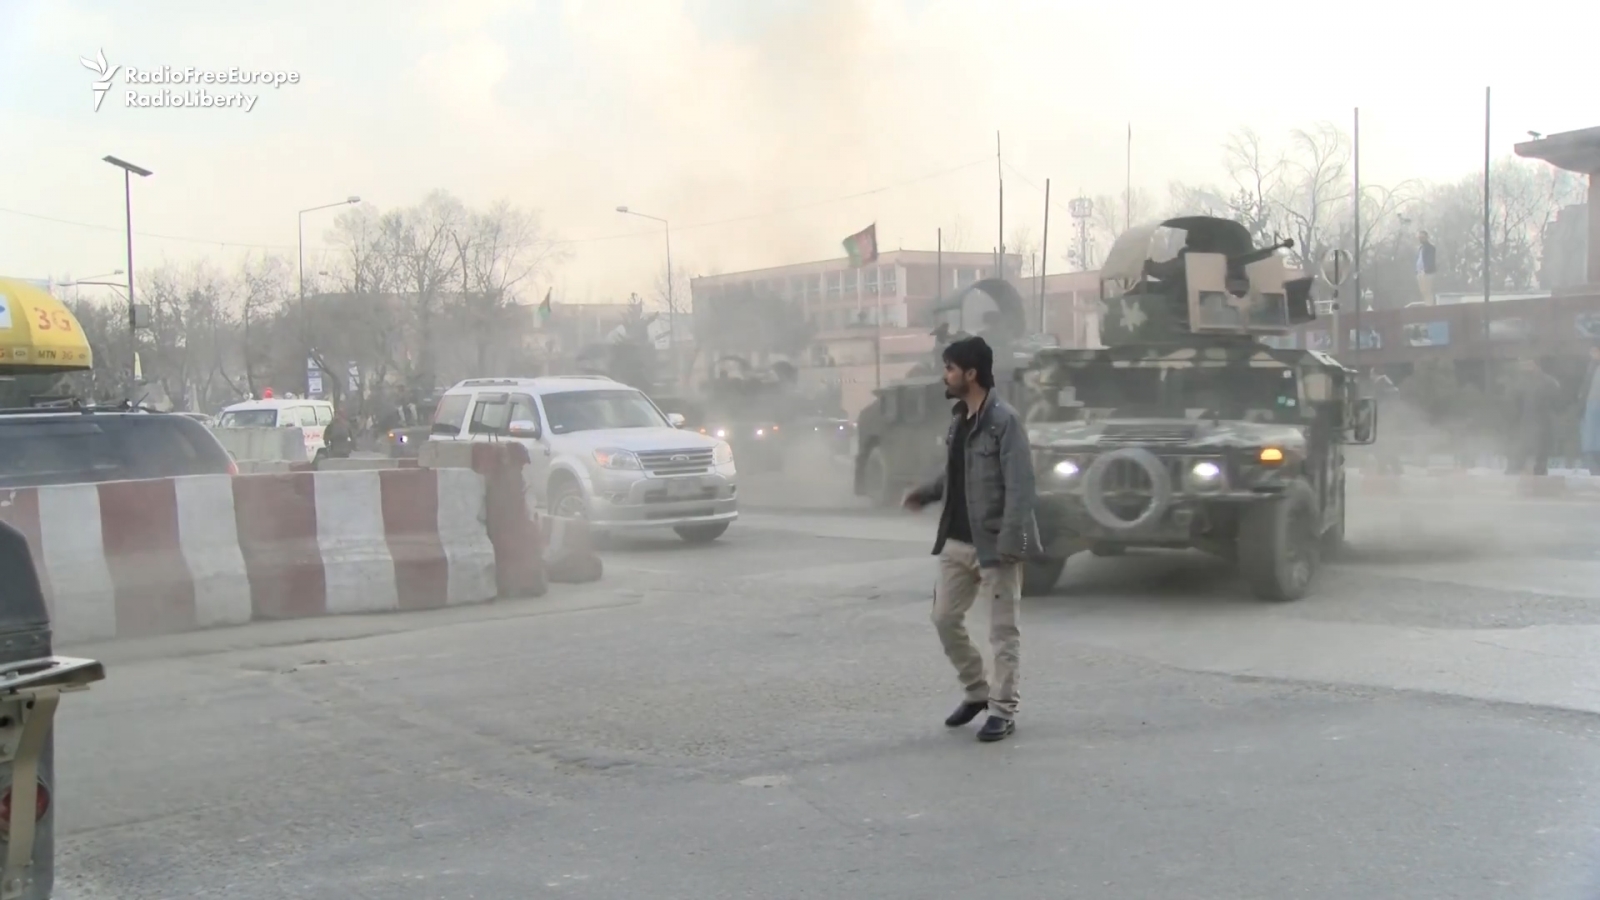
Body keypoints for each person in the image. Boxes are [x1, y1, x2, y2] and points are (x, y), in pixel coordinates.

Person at [902, 336, 1038, 743]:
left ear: (971, 373)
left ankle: (1002, 709)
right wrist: (926, 493)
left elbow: (1021, 486)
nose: (944, 375)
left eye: (949, 368)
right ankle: (977, 690)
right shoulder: (959, 418)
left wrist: (1011, 542)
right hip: (957, 543)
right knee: (943, 618)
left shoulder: (1005, 421)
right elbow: (956, 473)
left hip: (994, 544)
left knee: (1003, 632)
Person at [1505, 359, 1560, 476]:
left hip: (1543, 420)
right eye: (1524, 365)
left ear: (1537, 366)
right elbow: (1515, 402)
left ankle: (1539, 473)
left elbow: (1557, 401)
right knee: (1521, 448)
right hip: (1526, 420)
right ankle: (1514, 472)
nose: (1526, 368)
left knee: (1541, 450)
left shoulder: (1548, 382)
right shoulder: (1521, 382)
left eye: (1529, 365)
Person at [1582, 345, 1600, 474]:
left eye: (1595, 352)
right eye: (1591, 352)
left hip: (1595, 402)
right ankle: (1593, 468)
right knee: (1590, 435)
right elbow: (1586, 384)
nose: (1592, 355)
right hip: (1591, 402)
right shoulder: (1591, 367)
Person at [1416, 231, 1438, 306]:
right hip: (1420, 272)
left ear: (1426, 237)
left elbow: (1430, 260)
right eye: (1419, 237)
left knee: (1428, 291)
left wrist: (1426, 270)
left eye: (1422, 237)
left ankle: (1430, 307)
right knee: (1423, 292)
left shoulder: (1430, 248)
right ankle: (1427, 305)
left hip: (1428, 273)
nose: (1420, 239)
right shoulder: (1420, 248)